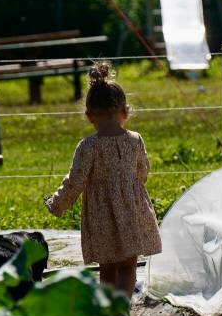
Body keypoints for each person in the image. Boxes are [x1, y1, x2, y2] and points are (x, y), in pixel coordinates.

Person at [45, 62, 162, 300]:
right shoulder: (135, 140)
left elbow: (75, 181)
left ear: (89, 116)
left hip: (101, 217)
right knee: (129, 265)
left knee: (107, 268)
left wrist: (57, 203)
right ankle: (122, 311)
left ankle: (109, 311)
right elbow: (143, 171)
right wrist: (130, 186)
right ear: (125, 112)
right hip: (131, 211)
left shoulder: (88, 146)